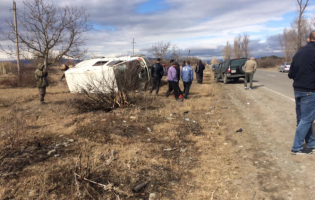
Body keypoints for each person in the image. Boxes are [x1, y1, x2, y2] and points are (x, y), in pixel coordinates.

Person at [288, 31, 315, 155]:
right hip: (310, 90)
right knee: (306, 120)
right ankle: (296, 147)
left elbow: (291, 74)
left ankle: (311, 144)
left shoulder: (298, 53)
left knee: (302, 119)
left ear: (308, 39)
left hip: (298, 89)